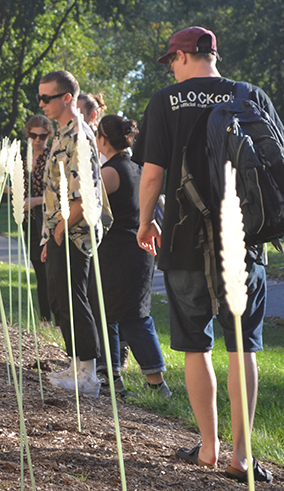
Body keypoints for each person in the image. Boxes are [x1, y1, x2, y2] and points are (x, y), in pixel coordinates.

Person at [134, 27, 284, 483]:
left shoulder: (166, 101)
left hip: (184, 241)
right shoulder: (250, 95)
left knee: (193, 344)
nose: (170, 68)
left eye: (171, 59)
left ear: (183, 56)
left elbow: (151, 176)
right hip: (245, 241)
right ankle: (241, 457)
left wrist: (146, 222)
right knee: (243, 347)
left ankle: (208, 447)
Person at [91, 114, 171, 399]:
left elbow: (91, 208)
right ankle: (112, 376)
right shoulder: (139, 167)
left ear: (103, 139)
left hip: (118, 252)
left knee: (132, 316)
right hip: (139, 250)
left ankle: (157, 384)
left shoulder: (109, 173)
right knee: (111, 311)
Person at [38, 70, 103, 398]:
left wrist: (61, 230)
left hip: (76, 232)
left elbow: (85, 191)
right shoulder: (61, 132)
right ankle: (76, 363)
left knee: (75, 299)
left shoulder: (78, 134)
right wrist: (51, 234)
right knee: (61, 298)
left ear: (67, 98)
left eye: (46, 98)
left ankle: (89, 375)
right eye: (39, 97)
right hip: (60, 230)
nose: (41, 103)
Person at [21, 115, 52, 322]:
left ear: (48, 136)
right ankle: (45, 318)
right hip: (29, 219)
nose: (37, 140)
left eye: (42, 136)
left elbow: (57, 193)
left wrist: (37, 201)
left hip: (47, 218)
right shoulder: (24, 157)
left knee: (48, 267)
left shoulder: (52, 158)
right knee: (37, 265)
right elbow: (23, 191)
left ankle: (57, 319)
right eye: (33, 135)